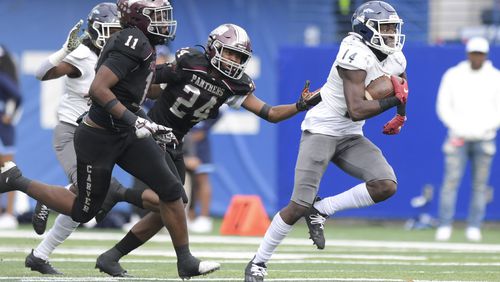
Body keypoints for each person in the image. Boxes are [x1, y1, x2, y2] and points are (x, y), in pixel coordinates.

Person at [0, 0, 220, 279]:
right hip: (99, 135)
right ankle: (17, 180)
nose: (165, 23)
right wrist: (136, 119)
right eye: (158, 17)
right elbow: (98, 89)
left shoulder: (146, 44)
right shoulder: (128, 42)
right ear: (139, 20)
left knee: (172, 191)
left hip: (126, 131)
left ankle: (185, 261)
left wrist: (180, 79)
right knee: (84, 210)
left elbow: (142, 91)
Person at [91, 22, 321, 277]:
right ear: (213, 47)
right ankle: (126, 202)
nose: (233, 60)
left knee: (172, 209)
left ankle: (111, 256)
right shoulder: (190, 61)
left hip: (176, 141)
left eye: (239, 56)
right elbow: (144, 79)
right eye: (229, 52)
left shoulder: (235, 84)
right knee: (174, 202)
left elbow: (270, 113)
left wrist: (300, 105)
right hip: (153, 133)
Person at [244, 1, 409, 281]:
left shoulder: (396, 57)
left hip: (350, 134)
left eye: (394, 27)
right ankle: (258, 262)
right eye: (385, 27)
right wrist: (394, 99)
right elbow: (356, 108)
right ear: (365, 29)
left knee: (385, 185)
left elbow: (401, 85)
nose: (392, 34)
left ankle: (322, 209)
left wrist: (400, 116)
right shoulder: (354, 52)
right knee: (298, 205)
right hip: (322, 129)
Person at [25, 3, 124, 275]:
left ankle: (39, 255)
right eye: (110, 30)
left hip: (99, 136)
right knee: (89, 195)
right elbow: (41, 73)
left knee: (88, 201)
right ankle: (43, 195)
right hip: (72, 132)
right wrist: (65, 50)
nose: (115, 36)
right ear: (95, 31)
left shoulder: (119, 56)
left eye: (118, 30)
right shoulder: (82, 54)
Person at [434, 37, 500, 242]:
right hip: (457, 137)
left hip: (484, 138)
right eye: (474, 53)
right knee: (450, 182)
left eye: (480, 53)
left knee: (480, 185)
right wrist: (457, 128)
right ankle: (444, 225)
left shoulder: (495, 77)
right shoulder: (454, 75)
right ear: (468, 54)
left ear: (485, 55)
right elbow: (443, 106)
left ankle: (474, 226)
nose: (477, 57)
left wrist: (484, 129)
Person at [0, 44, 23, 229]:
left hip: (3, 128)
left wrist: (9, 114)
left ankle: (9, 213)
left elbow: (17, 95)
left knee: (7, 167)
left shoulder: (2, 77)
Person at [186, 117, 221, 233]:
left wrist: (205, 127)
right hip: (181, 140)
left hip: (199, 144)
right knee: (186, 180)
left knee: (201, 179)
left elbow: (221, 109)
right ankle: (189, 216)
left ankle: (204, 218)